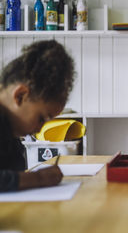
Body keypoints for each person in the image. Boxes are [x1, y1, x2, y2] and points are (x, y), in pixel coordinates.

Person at [0, 40, 75, 191]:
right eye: (41, 119)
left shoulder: (9, 132)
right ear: (20, 96)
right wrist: (37, 178)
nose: (40, 129)